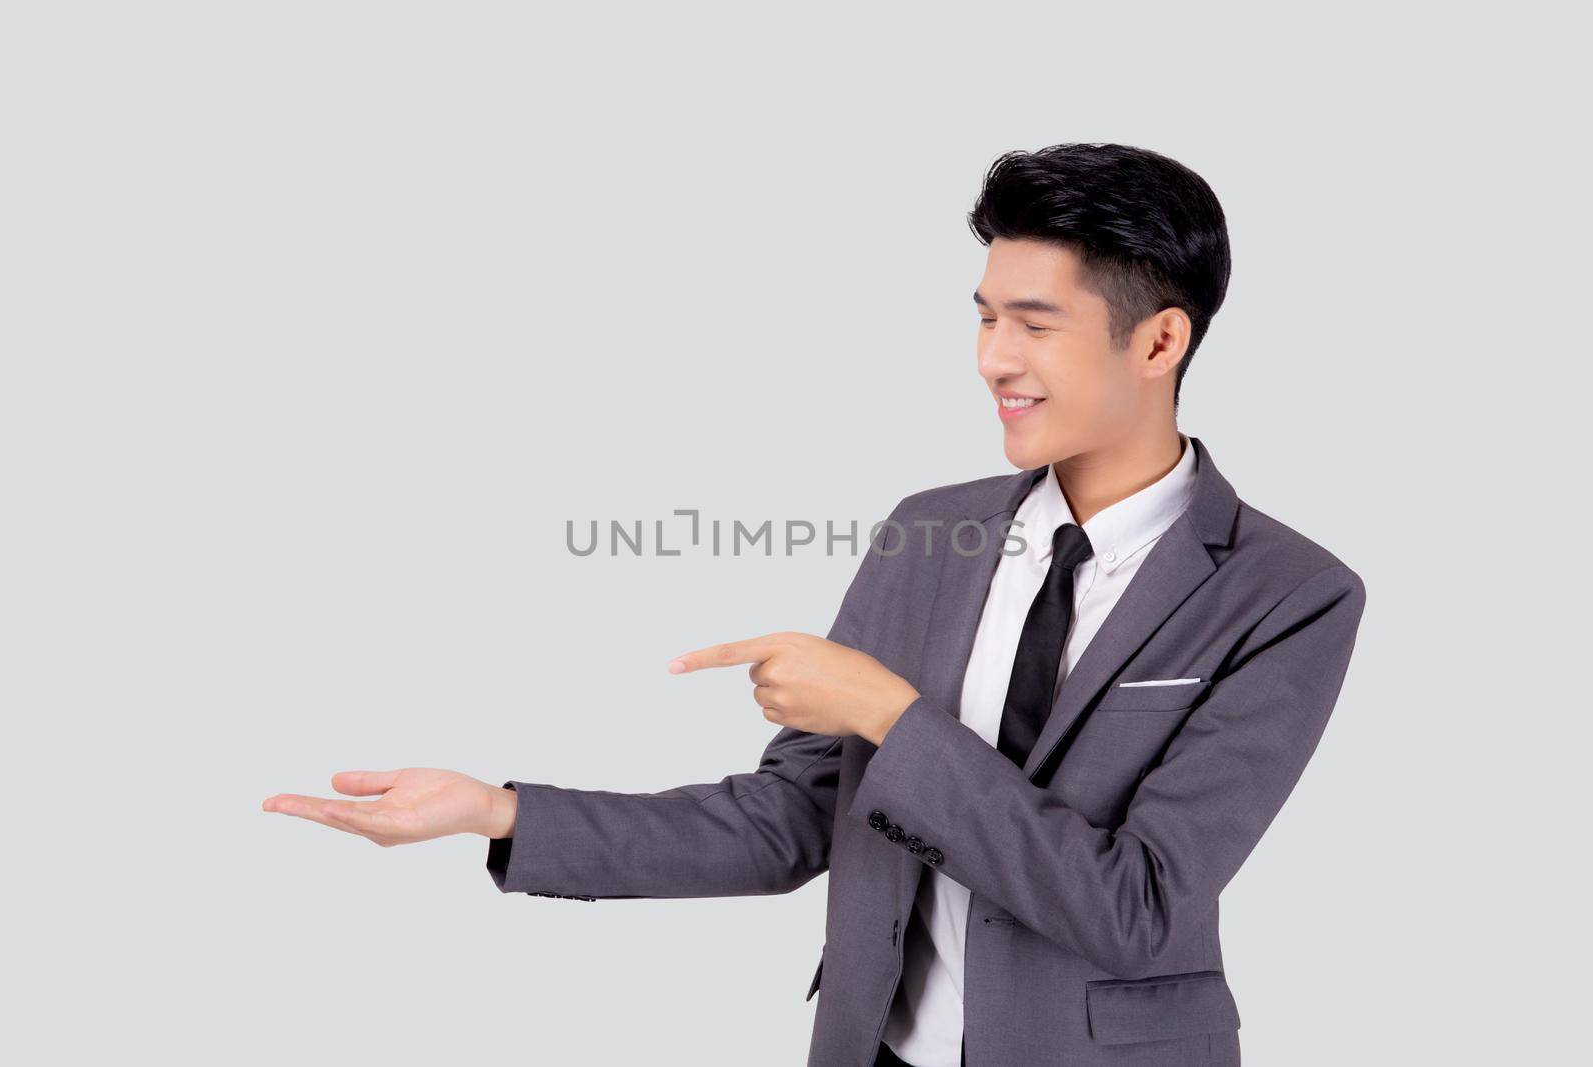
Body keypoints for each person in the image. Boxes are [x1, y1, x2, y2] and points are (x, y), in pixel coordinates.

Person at [262, 143, 1367, 1066]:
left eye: (1034, 323)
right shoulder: (930, 530)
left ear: (1160, 340)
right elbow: (787, 822)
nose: (992, 358)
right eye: (983, 316)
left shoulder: (1286, 592)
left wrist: (892, 714)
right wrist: (500, 812)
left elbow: (1132, 904)